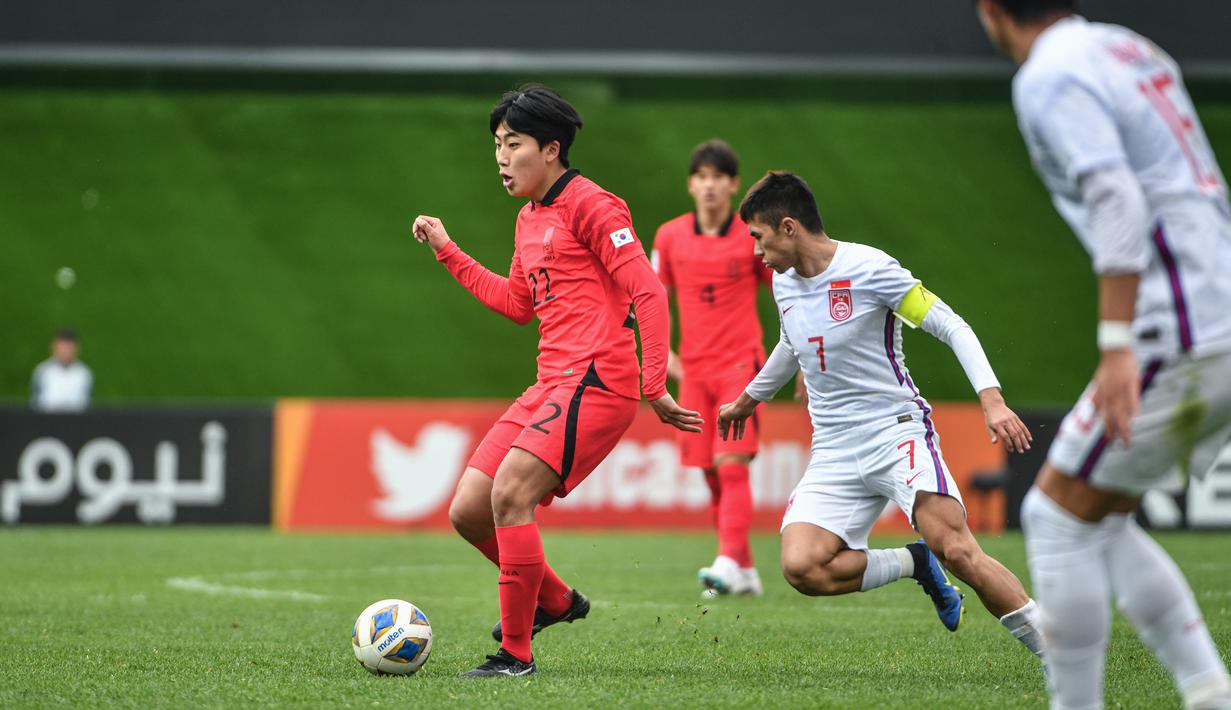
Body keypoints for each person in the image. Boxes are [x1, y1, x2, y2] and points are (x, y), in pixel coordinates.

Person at [974, 1, 1231, 707]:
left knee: (1052, 518)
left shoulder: (1048, 73)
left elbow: (1117, 197)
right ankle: (1209, 692)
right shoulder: (1129, 48)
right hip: (1219, 306)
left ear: (991, 10)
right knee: (1096, 516)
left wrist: (1118, 343)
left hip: (1178, 326)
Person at [411, 84, 702, 678]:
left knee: (510, 495)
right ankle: (557, 600)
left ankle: (515, 656)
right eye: (496, 144)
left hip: (597, 379)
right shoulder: (528, 219)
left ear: (550, 149)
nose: (500, 156)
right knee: (468, 509)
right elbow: (518, 303)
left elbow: (648, 289)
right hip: (552, 382)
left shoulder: (592, 204)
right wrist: (448, 250)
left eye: (511, 143)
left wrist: (654, 385)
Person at [717, 171, 1044, 661]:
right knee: (803, 567)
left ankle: (1060, 653)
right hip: (832, 449)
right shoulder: (782, 282)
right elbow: (791, 342)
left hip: (895, 432)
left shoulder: (870, 269)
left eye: (758, 238)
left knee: (956, 549)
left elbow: (950, 325)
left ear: (788, 228)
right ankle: (914, 563)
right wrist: (750, 398)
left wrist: (991, 399)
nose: (756, 252)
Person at [651, 140, 773, 597]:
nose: (709, 186)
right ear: (690, 184)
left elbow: (785, 293)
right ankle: (743, 567)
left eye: (718, 177)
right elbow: (653, 297)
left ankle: (725, 562)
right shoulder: (668, 237)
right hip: (694, 373)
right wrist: (661, 355)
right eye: (701, 177)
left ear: (733, 185)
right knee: (709, 470)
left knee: (731, 464)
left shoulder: (752, 236)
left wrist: (798, 356)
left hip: (741, 365)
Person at [30, 327, 92, 413]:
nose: (65, 351)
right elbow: (36, 402)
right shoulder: (43, 371)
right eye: (62, 347)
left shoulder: (84, 373)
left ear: (76, 348)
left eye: (68, 347)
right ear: (54, 347)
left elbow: (86, 404)